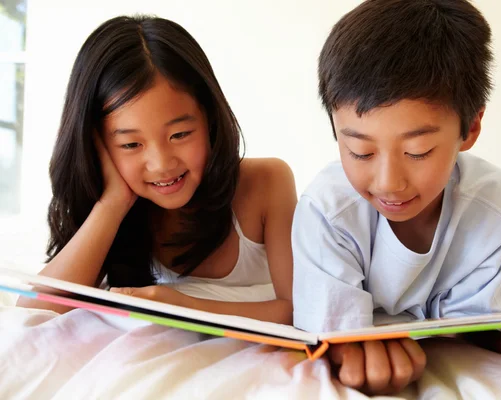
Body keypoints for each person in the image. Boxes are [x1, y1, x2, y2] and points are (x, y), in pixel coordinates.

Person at [292, 0, 501, 394]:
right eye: (360, 152)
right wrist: (346, 348)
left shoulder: (500, 209)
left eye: (417, 153)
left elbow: (469, 325)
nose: (388, 183)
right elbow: (329, 333)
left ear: (469, 129)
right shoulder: (326, 210)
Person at [17, 15, 297, 325]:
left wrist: (181, 306)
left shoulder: (266, 183)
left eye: (179, 135)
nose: (162, 164)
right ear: (97, 146)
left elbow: (300, 311)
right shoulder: (113, 210)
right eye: (131, 145)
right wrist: (113, 204)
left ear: (210, 120)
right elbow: (34, 314)